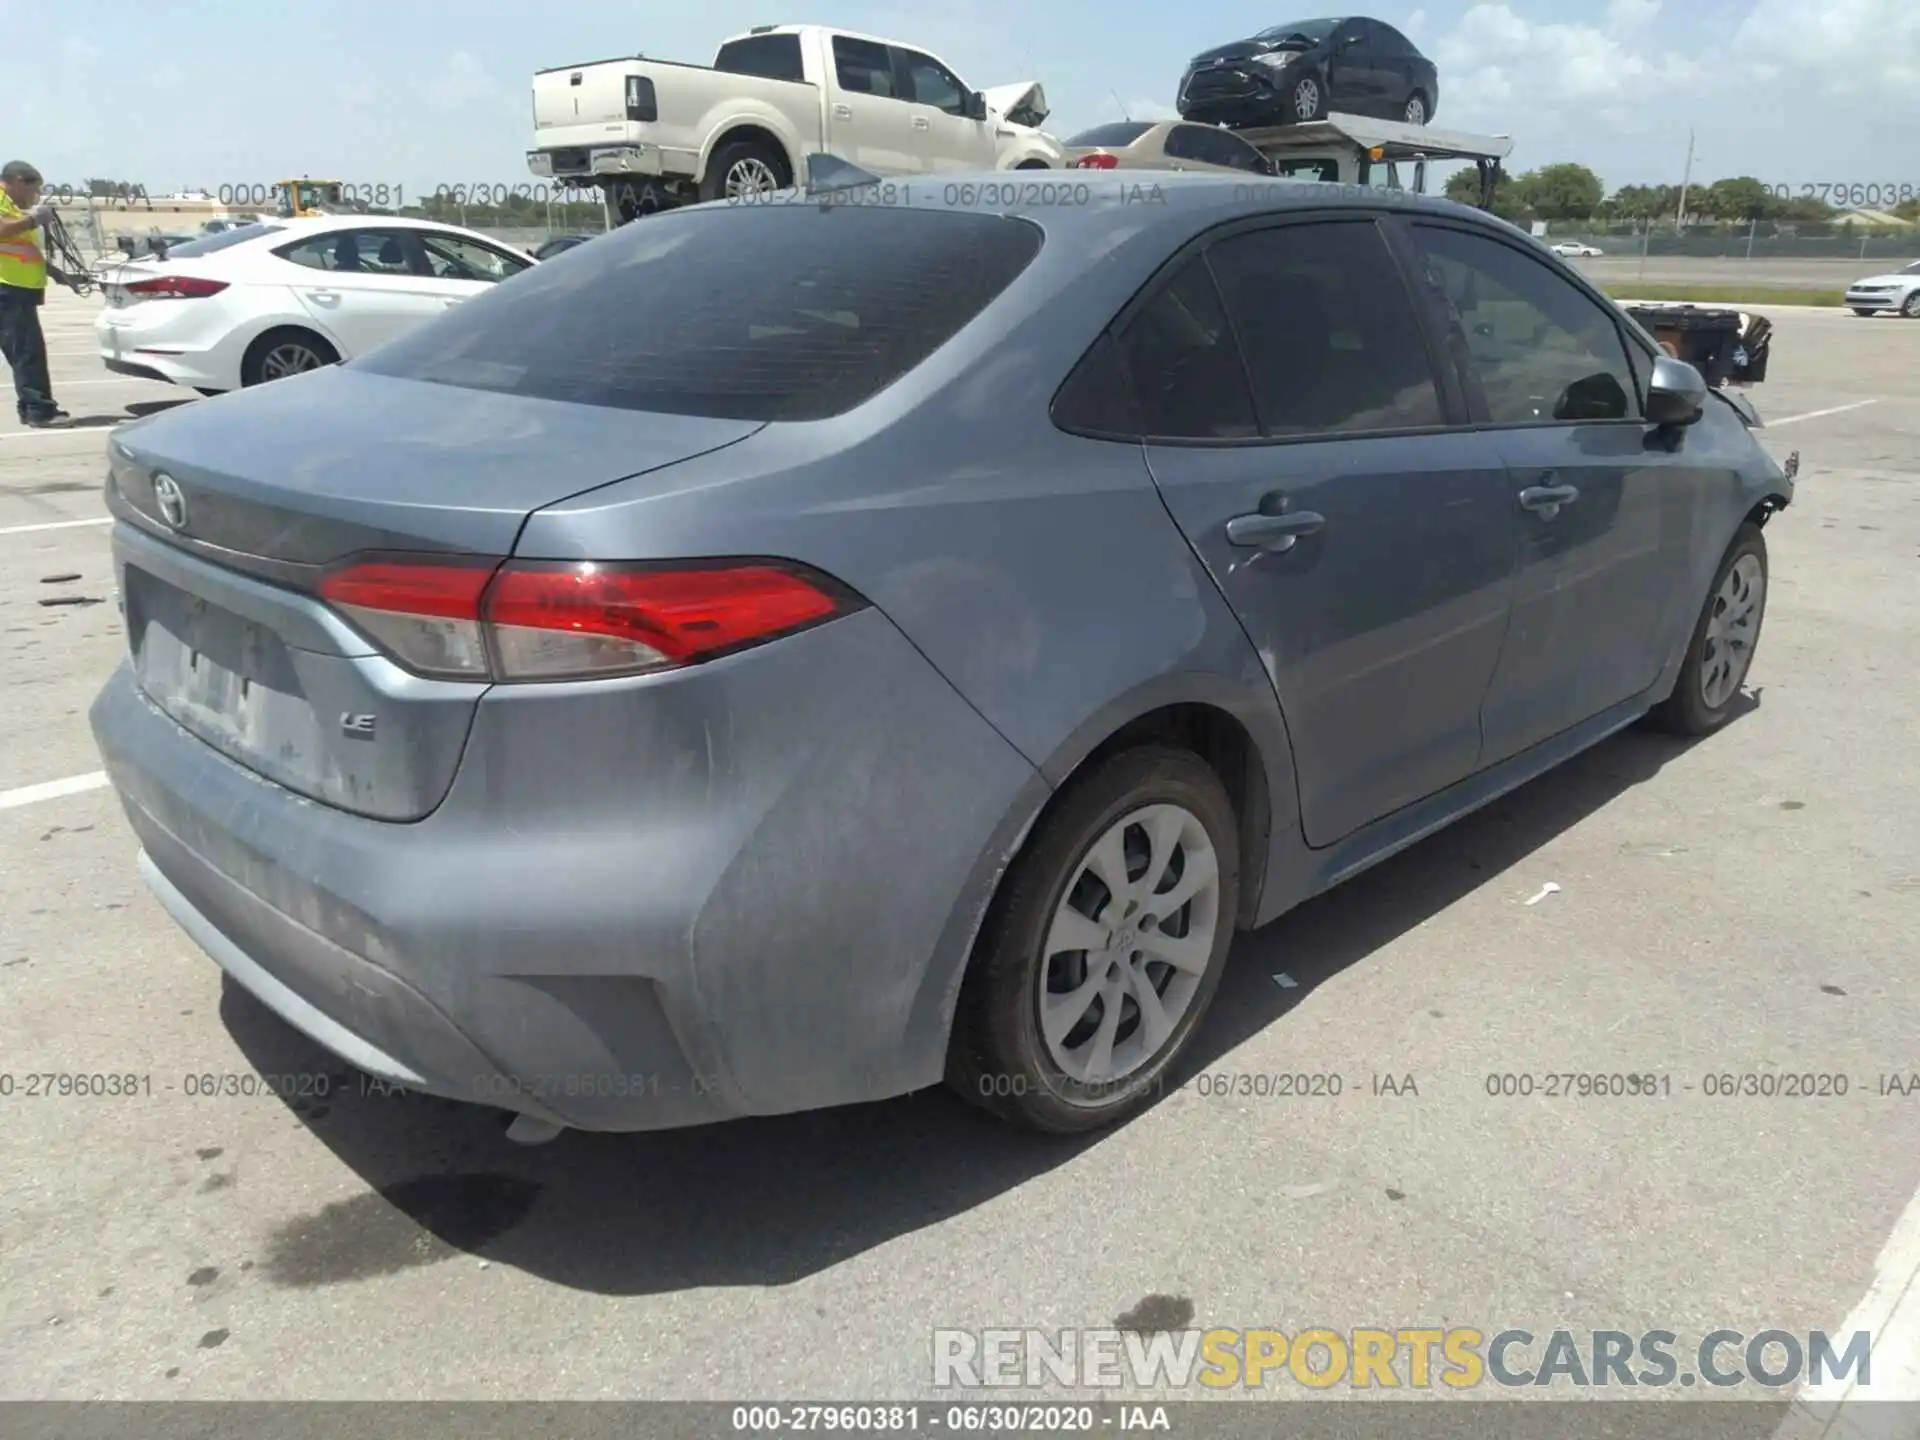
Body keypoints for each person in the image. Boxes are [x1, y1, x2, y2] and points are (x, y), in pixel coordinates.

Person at [0, 159, 76, 428]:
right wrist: (34, 218)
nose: (36, 197)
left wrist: (58, 274)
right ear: (19, 181)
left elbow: (22, 250)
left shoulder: (11, 208)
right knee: (27, 352)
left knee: (24, 352)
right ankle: (39, 411)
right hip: (6, 289)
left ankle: (31, 407)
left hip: (15, 289)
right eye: (35, 190)